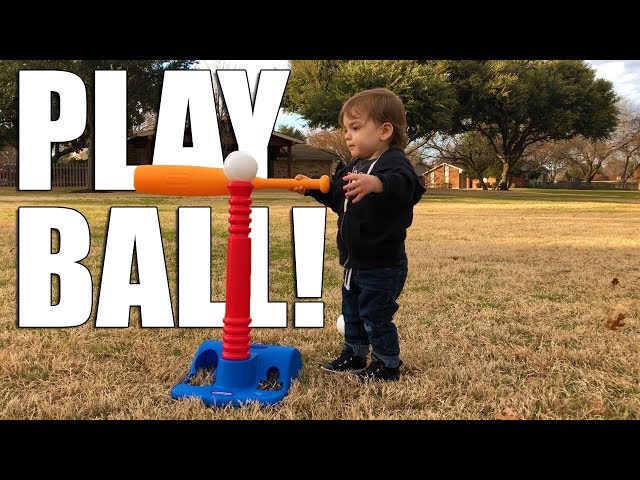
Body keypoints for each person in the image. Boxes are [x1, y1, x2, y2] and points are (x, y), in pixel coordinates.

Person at [292, 88, 425, 381]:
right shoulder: (353, 166)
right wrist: (314, 189)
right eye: (345, 130)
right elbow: (338, 197)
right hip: (354, 261)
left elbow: (407, 186)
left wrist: (376, 184)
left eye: (355, 127)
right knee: (351, 312)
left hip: (383, 263)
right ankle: (354, 354)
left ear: (384, 130)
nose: (347, 136)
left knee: (376, 316)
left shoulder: (395, 162)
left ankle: (387, 364)